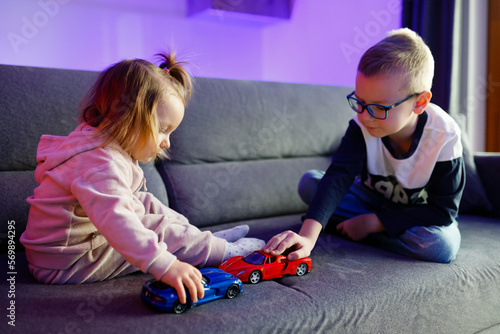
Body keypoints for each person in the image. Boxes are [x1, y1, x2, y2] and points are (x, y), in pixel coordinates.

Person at [20, 52, 264, 304]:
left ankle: (201, 241)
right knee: (157, 230)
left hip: (64, 251)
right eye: (162, 129)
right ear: (128, 116)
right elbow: (117, 220)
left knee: (145, 202)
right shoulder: (99, 162)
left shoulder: (99, 147)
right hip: (66, 262)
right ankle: (222, 252)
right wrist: (165, 265)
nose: (167, 142)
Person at [264, 28, 464, 264]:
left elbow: (443, 211)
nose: (365, 116)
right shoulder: (361, 123)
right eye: (360, 101)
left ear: (419, 102)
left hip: (414, 215)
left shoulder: (444, 136)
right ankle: (358, 229)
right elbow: (338, 176)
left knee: (441, 247)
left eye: (380, 107)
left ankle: (357, 229)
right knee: (310, 183)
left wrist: (374, 222)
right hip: (367, 200)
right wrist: (307, 237)